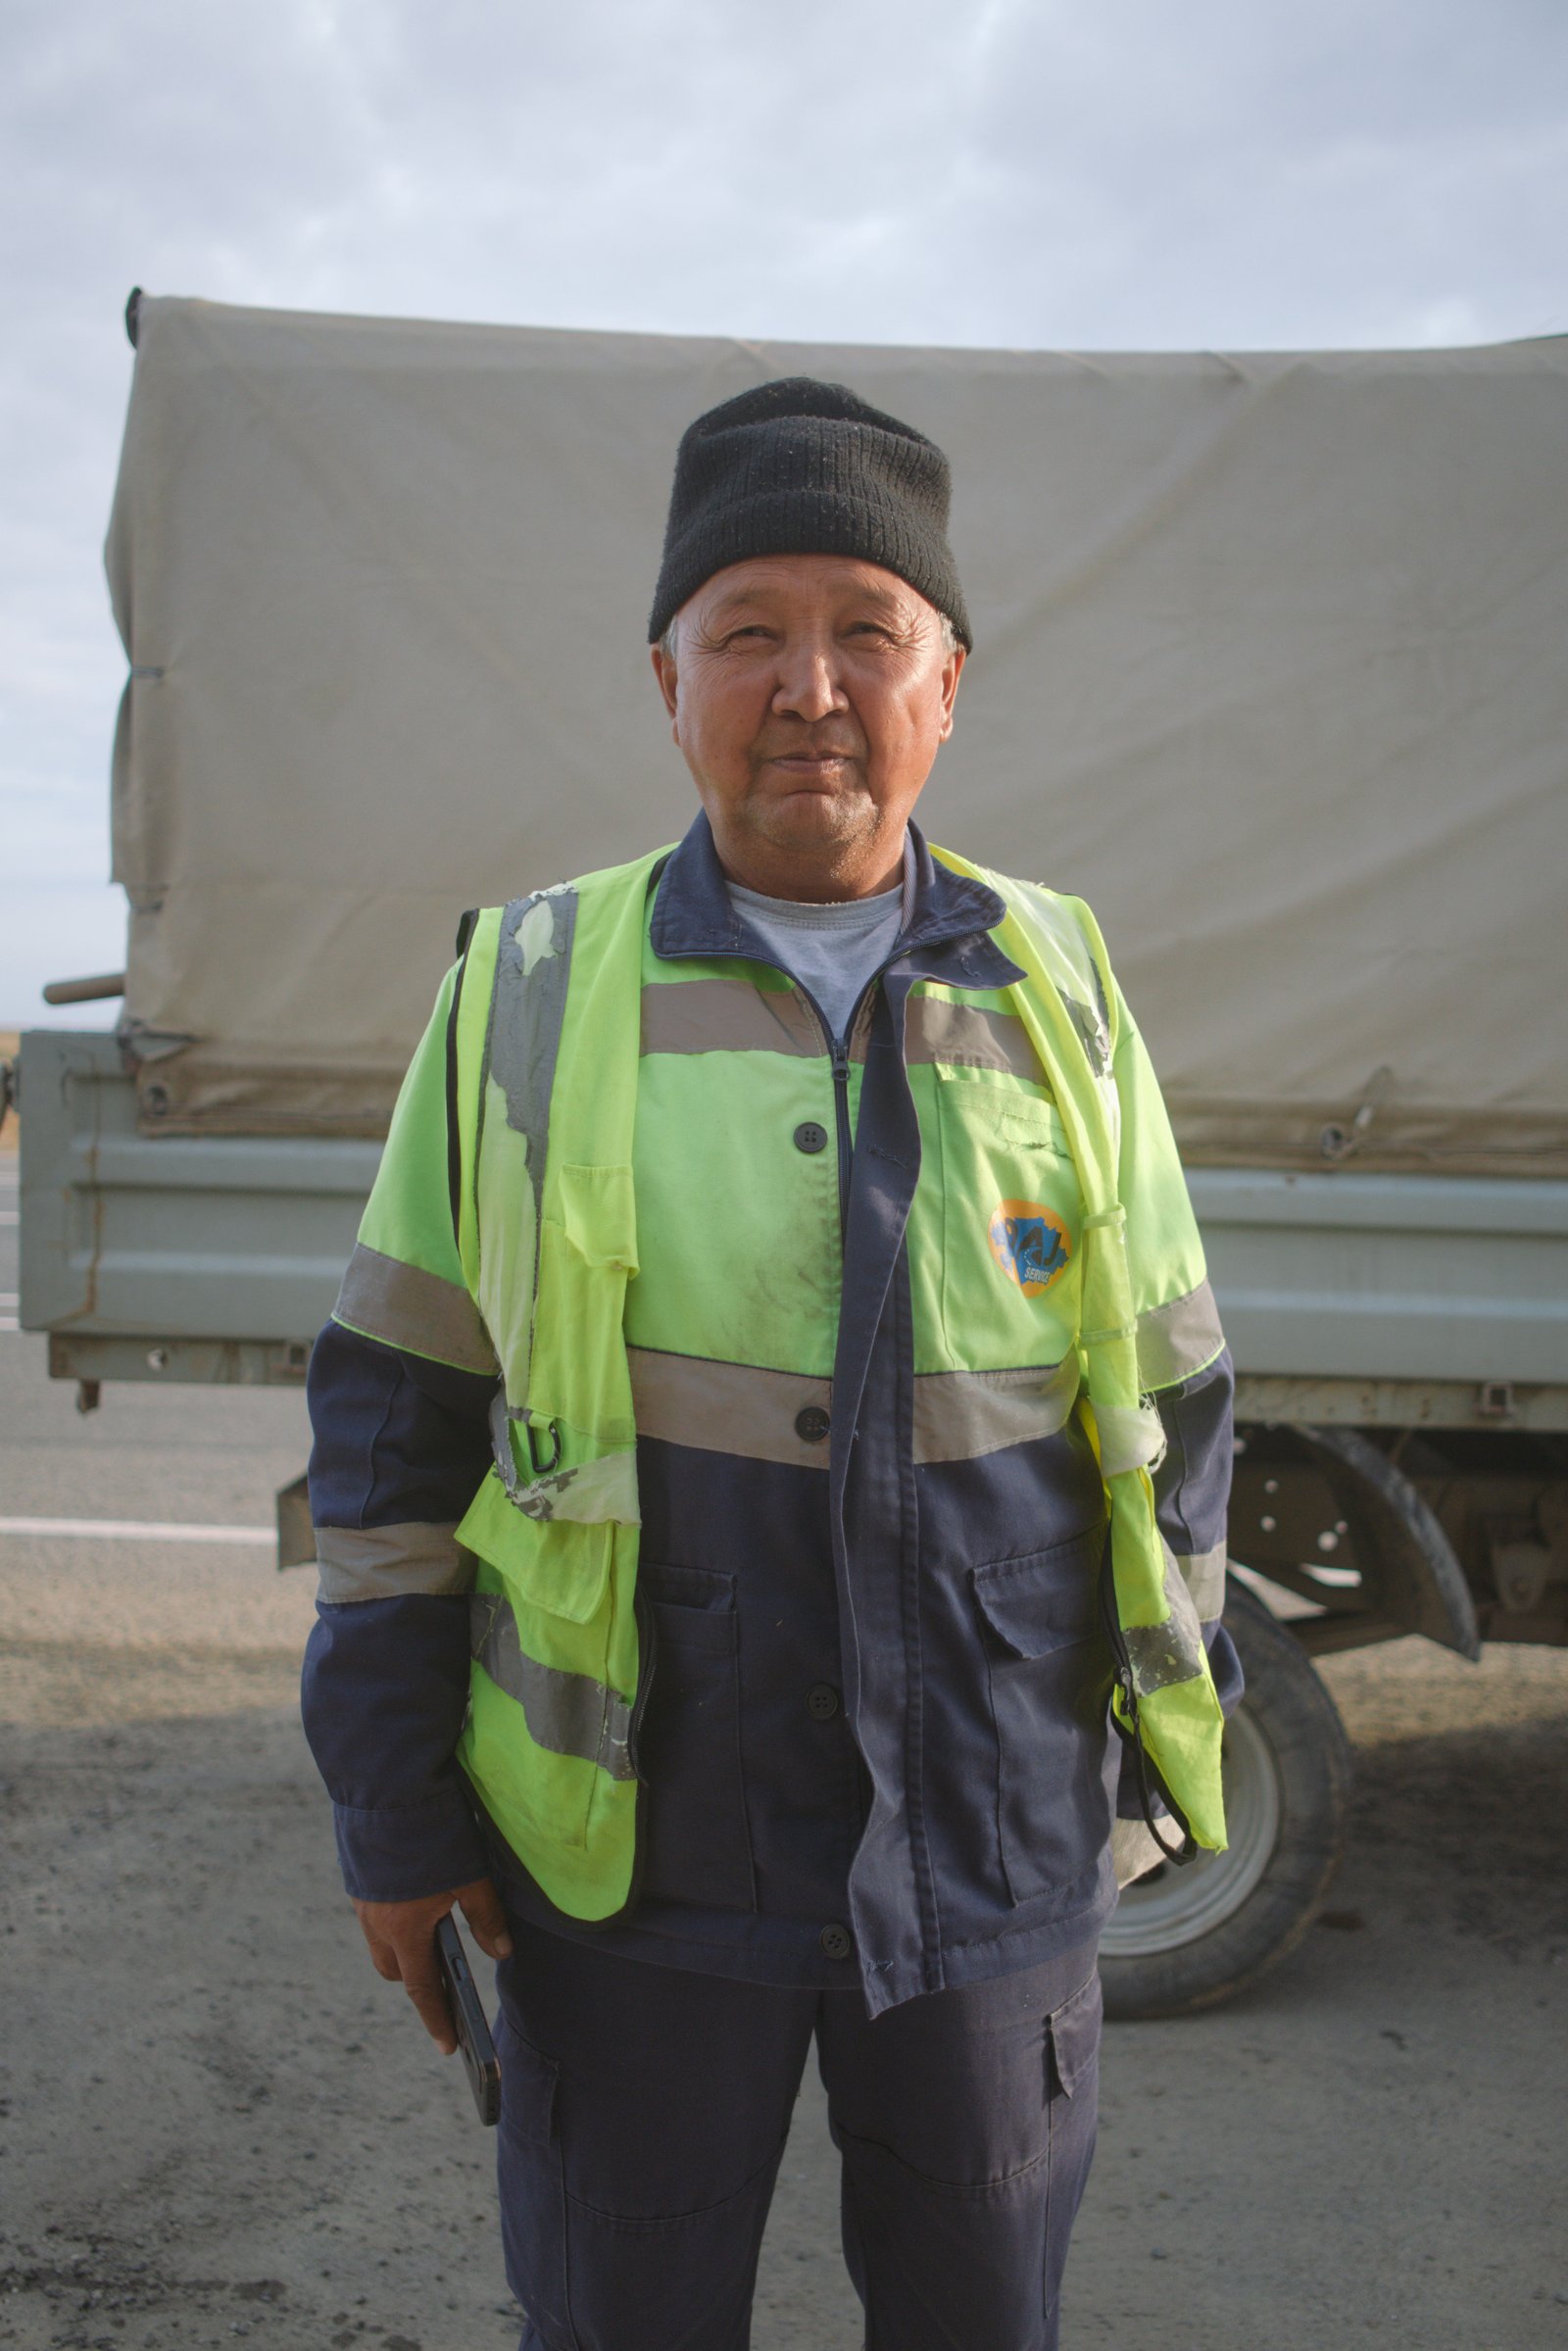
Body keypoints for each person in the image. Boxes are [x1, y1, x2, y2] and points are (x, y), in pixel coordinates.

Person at [301, 376, 1242, 2351]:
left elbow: (1172, 1400)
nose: (807, 686)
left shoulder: (1058, 982)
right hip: (634, 1869)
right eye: (746, 634)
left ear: (946, 683)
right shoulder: (526, 991)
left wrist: (1159, 1741)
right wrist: (395, 1817)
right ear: (665, 680)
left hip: (985, 1858)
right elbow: (394, 1436)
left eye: (862, 633)